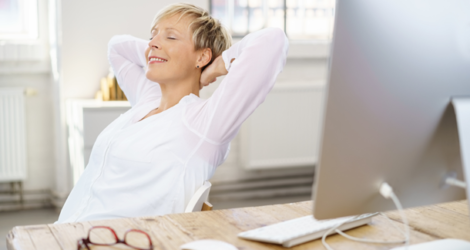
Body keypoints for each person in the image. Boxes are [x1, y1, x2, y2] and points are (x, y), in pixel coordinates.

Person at [57, 3, 289, 223]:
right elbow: (116, 47)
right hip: (64, 231)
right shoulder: (147, 100)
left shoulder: (203, 124)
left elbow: (273, 40)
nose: (152, 43)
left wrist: (216, 66)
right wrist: (160, 51)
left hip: (114, 241)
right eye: (152, 36)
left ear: (202, 56)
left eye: (170, 36)